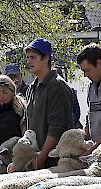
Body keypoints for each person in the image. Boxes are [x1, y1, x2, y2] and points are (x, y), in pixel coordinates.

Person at [22, 38, 73, 169]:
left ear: (46, 58)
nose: (29, 61)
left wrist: (42, 156)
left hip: (55, 162)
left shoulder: (57, 86)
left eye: (33, 57)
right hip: (35, 160)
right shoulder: (31, 88)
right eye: (27, 58)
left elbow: (57, 127)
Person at [0, 75, 26, 157]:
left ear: (12, 91)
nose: (1, 96)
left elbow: (25, 136)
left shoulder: (19, 109)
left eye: (5, 92)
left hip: (15, 155)